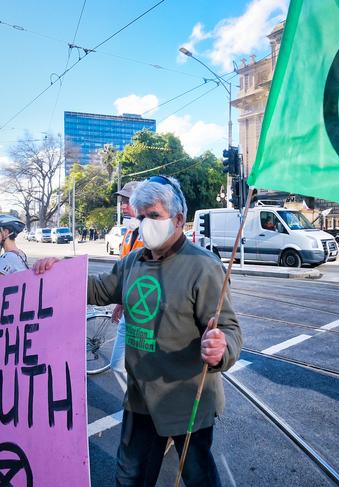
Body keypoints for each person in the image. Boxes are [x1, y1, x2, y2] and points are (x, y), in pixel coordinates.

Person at [34, 175, 242, 486]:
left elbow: (227, 327)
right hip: (140, 399)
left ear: (178, 219)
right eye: (141, 217)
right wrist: (59, 272)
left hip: (187, 400)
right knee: (130, 477)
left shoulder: (203, 266)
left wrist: (220, 349)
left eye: (154, 216)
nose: (146, 224)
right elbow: (100, 289)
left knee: (198, 476)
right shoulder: (132, 262)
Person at [110, 180, 142, 392]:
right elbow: (123, 271)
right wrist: (120, 302)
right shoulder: (129, 233)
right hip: (129, 307)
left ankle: (144, 409)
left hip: (143, 312)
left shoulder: (152, 235)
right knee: (118, 365)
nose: (122, 205)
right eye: (122, 200)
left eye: (127, 201)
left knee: (136, 367)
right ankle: (137, 404)